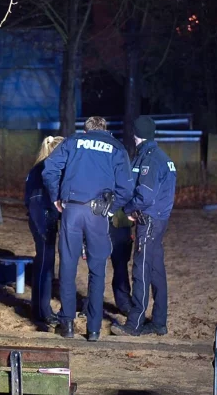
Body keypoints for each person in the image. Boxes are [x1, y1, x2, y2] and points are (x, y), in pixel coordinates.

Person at [42, 116, 134, 342]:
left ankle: (67, 325)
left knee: (67, 267)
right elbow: (127, 186)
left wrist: (56, 197)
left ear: (86, 130)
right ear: (104, 129)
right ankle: (93, 329)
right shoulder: (116, 147)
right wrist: (111, 209)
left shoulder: (73, 141)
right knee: (97, 270)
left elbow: (49, 169)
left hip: (71, 210)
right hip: (97, 214)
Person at [111, 115, 177, 337]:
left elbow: (145, 195)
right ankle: (159, 321)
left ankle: (134, 323)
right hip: (159, 221)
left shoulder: (149, 159)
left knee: (140, 270)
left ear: (136, 134)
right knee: (156, 271)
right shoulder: (161, 157)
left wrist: (129, 209)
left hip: (147, 221)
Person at [24, 135, 64, 327]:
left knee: (43, 259)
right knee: (46, 262)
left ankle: (38, 307)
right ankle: (44, 310)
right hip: (43, 216)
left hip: (36, 216)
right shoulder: (50, 167)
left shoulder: (36, 168)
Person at [109, 208, 135, 316]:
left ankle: (124, 303)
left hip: (120, 221)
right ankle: (90, 304)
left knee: (121, 265)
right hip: (98, 218)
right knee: (95, 266)